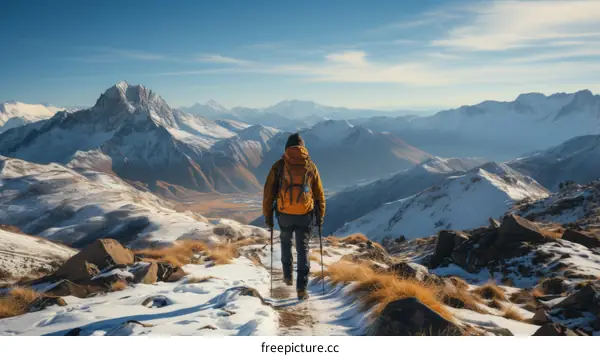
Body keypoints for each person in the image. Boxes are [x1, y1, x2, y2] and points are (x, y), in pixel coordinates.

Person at [263, 133, 325, 300]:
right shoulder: (310, 166)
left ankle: (287, 275)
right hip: (305, 215)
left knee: (285, 241)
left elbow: (268, 194)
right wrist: (320, 215)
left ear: (286, 148)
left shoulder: (279, 166)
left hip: (284, 214)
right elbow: (319, 194)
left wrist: (268, 217)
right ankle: (301, 289)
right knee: (302, 248)